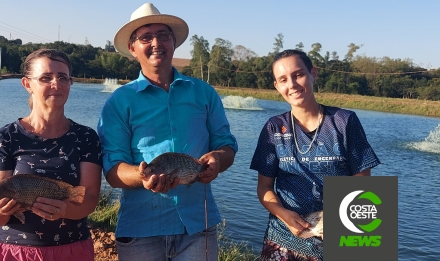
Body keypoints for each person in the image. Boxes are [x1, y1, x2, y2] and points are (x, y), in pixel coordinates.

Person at [97, 3, 238, 261]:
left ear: (174, 42)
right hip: (140, 230)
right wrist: (142, 177)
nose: (156, 42)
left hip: (198, 227)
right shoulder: (119, 101)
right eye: (145, 37)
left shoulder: (204, 92)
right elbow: (112, 170)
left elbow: (226, 145)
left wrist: (218, 159)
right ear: (132, 48)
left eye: (163, 35)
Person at [250, 49, 381, 261]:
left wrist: (338, 221)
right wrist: (283, 215)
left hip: (341, 236)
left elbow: (364, 185)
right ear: (276, 86)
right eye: (283, 79)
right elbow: (264, 187)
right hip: (284, 239)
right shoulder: (274, 127)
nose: (291, 84)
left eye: (298, 74)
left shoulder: (343, 121)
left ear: (313, 73)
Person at [0, 48, 102, 261]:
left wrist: (63, 210)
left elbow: (89, 200)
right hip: (14, 251)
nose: (56, 84)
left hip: (72, 250)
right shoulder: (5, 137)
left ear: (70, 82)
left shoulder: (86, 137)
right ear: (28, 84)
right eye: (46, 78)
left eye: (63, 77)